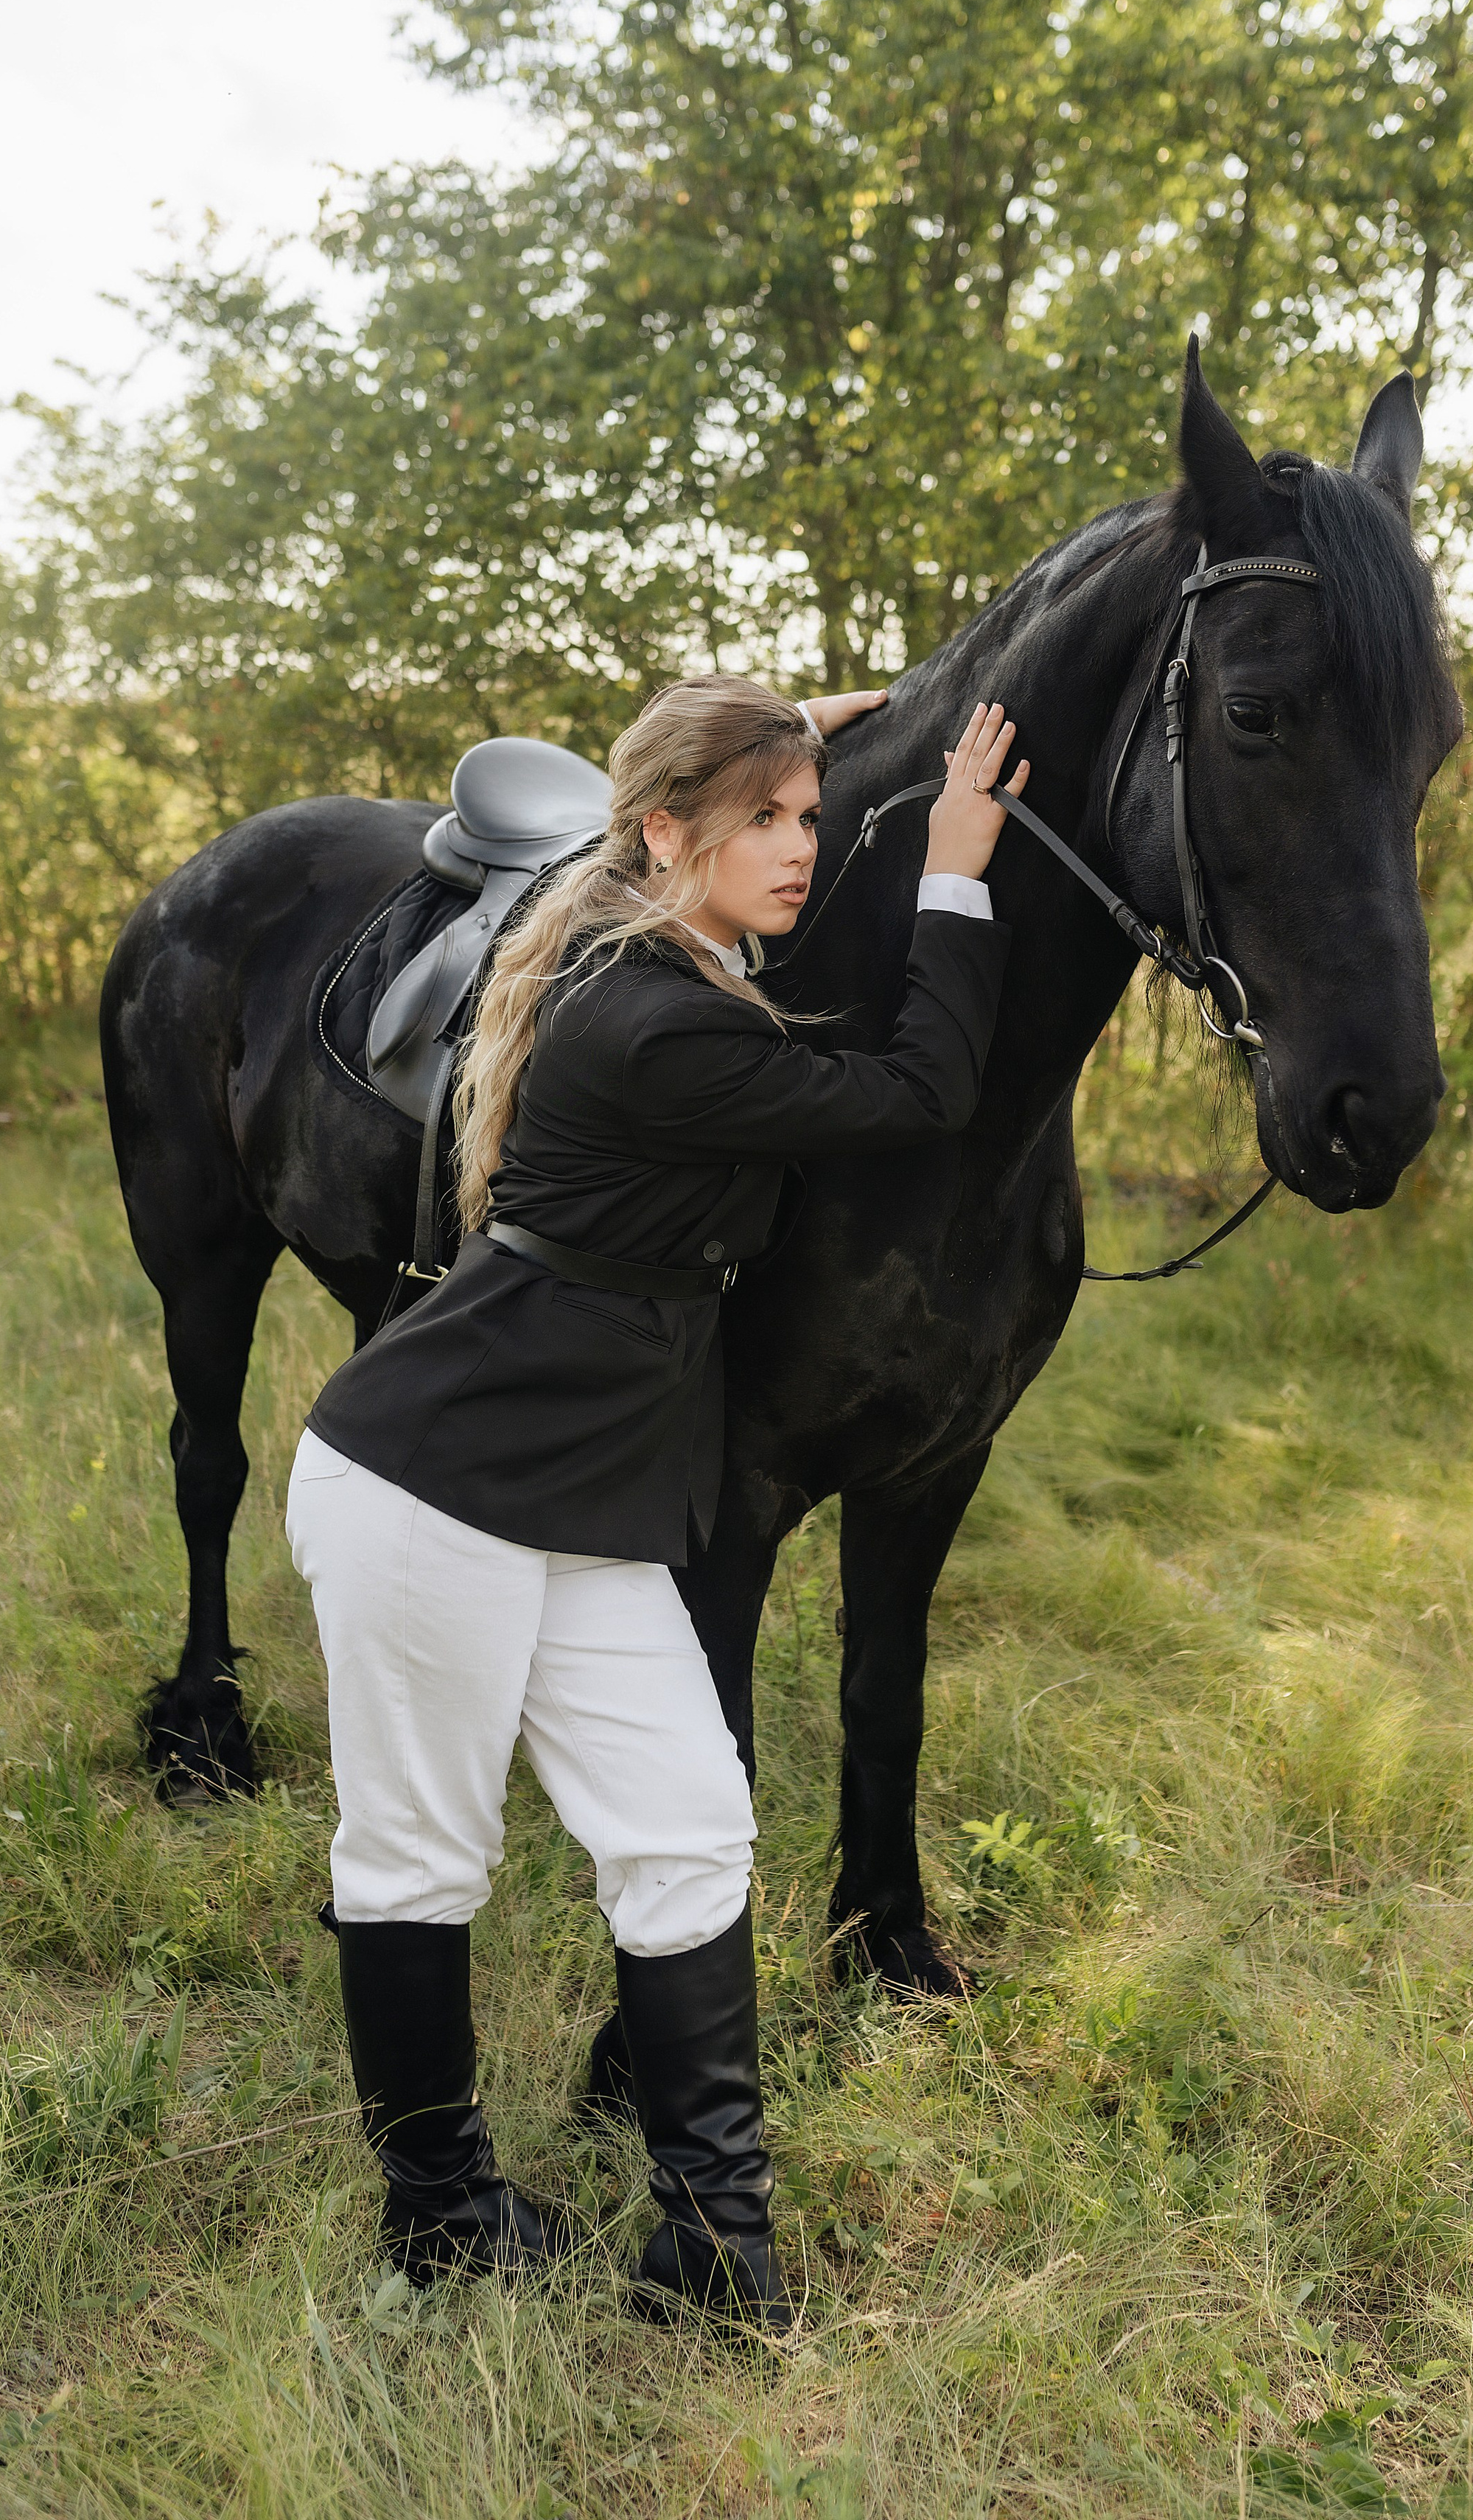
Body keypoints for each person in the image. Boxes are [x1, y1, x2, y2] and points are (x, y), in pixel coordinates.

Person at [285, 674, 1026, 2328]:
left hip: (580, 1498)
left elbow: (660, 864)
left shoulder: (646, 945)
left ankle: (709, 2251)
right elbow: (918, 1092)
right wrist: (952, 863)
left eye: (812, 820)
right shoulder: (653, 1013)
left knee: (687, 1828)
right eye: (762, 820)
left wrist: (779, 736)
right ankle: (439, 2219)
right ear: (662, 836)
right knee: (419, 1852)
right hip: (431, 1489)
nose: (799, 849)